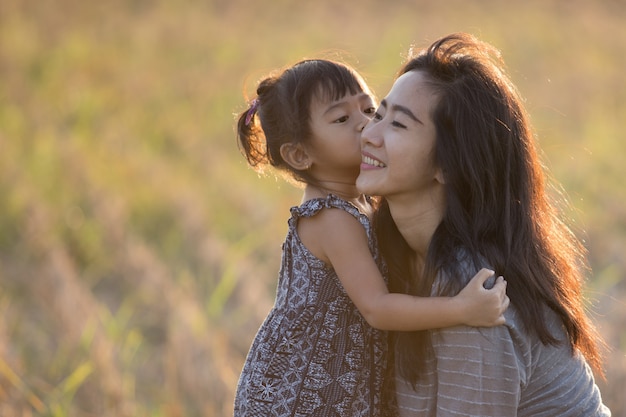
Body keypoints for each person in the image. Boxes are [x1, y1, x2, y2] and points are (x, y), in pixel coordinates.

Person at [233, 58, 509, 417]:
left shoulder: (360, 201)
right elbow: (376, 307)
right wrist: (461, 309)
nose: (365, 125)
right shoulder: (332, 217)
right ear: (300, 154)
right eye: (342, 119)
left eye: (369, 109)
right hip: (297, 394)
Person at [357, 33, 611, 416]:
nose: (369, 135)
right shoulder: (384, 256)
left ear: (448, 165)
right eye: (379, 114)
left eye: (399, 125)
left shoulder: (477, 295)